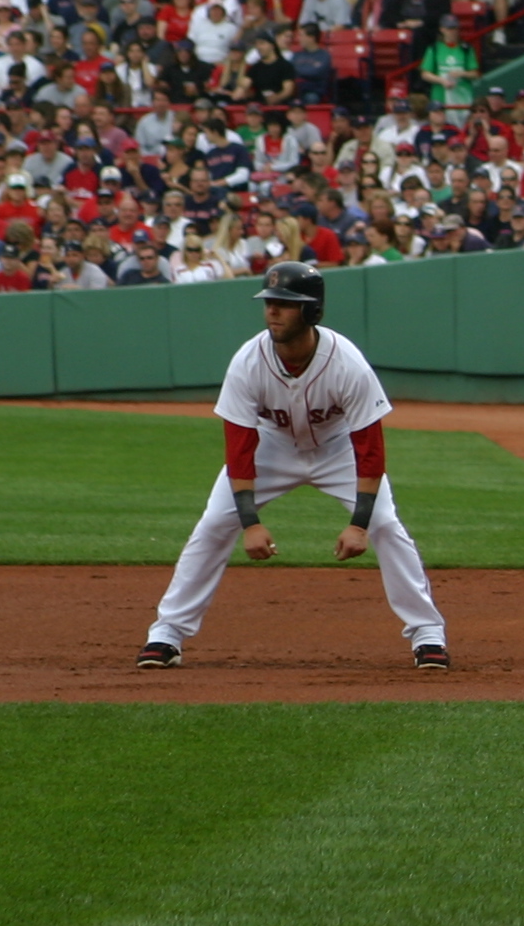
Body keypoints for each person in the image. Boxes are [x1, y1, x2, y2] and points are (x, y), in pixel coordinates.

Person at [138, 263, 451, 670]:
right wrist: (250, 522)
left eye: (285, 304)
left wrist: (359, 523)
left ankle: (428, 634)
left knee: (386, 525)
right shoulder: (248, 362)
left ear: (312, 311)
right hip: (272, 447)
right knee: (216, 522)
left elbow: (370, 451)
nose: (273, 311)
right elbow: (240, 449)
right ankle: (167, 633)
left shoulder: (348, 364)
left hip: (338, 450)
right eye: (270, 302)